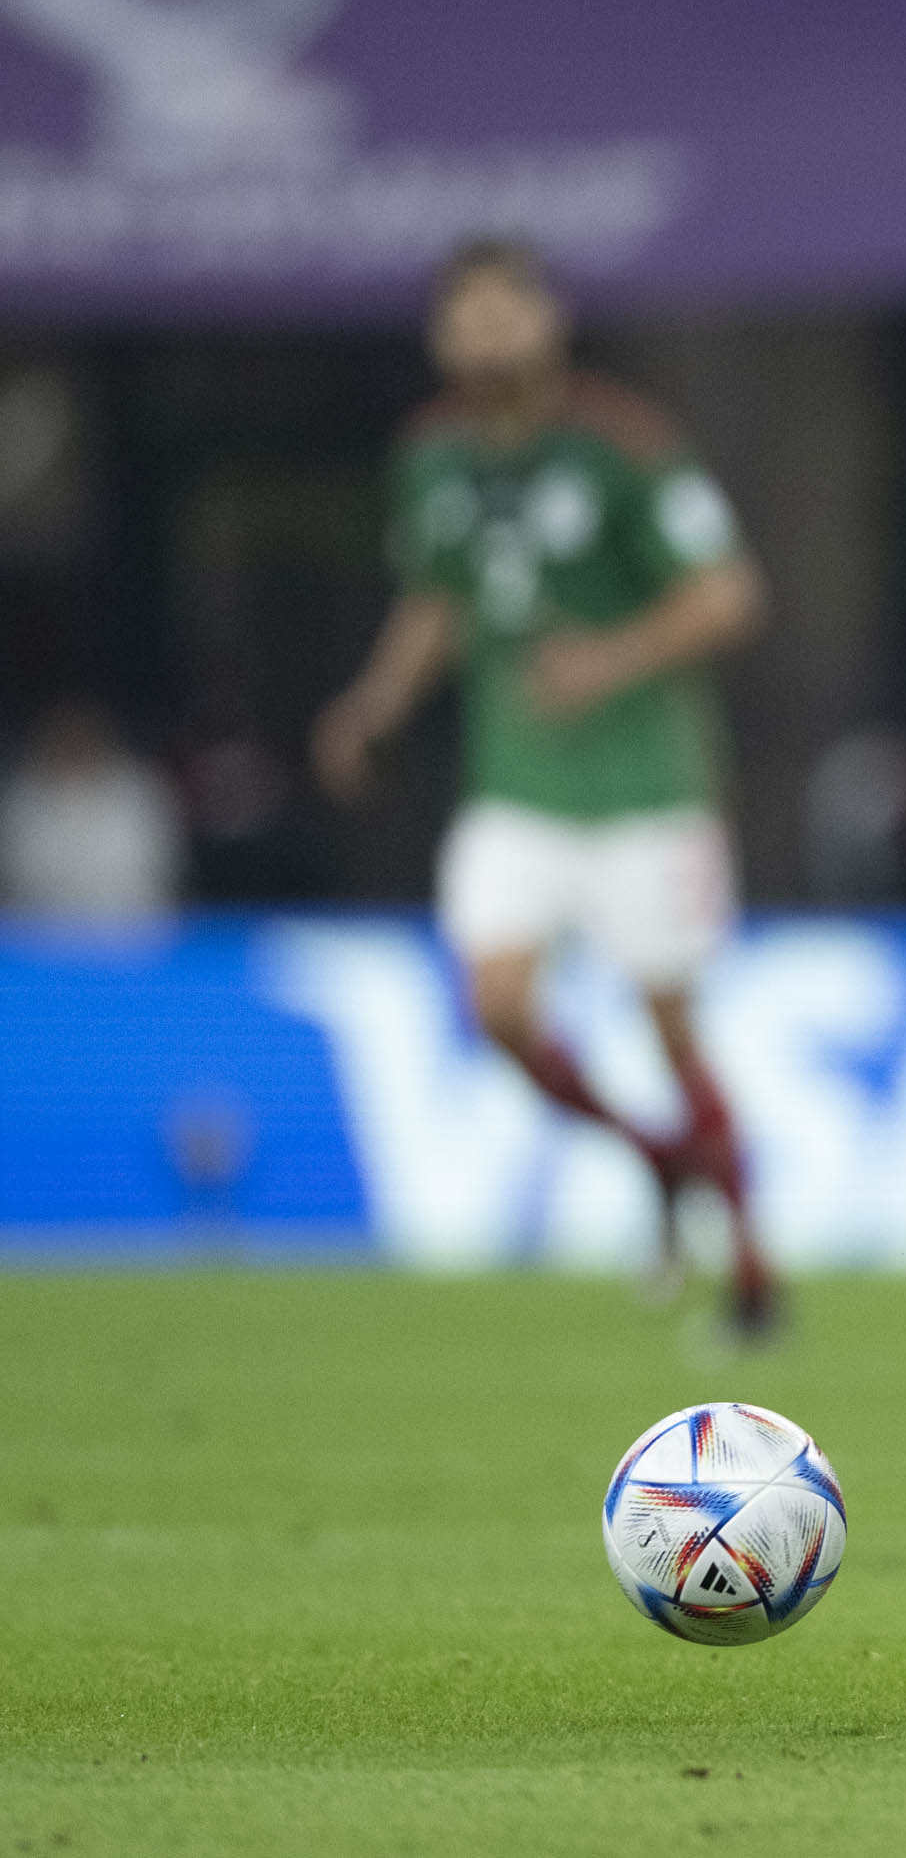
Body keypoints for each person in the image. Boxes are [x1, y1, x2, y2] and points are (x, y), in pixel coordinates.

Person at [314, 239, 780, 1338]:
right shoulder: (430, 457)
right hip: (515, 784)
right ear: (441, 336)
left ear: (548, 320)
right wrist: (376, 699)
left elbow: (728, 594)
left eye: (503, 311)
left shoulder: (623, 445)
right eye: (464, 316)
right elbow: (439, 596)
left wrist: (606, 658)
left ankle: (752, 1265)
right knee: (497, 1005)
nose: (485, 335)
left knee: (672, 1025)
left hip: (646, 786)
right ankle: (654, 1156)